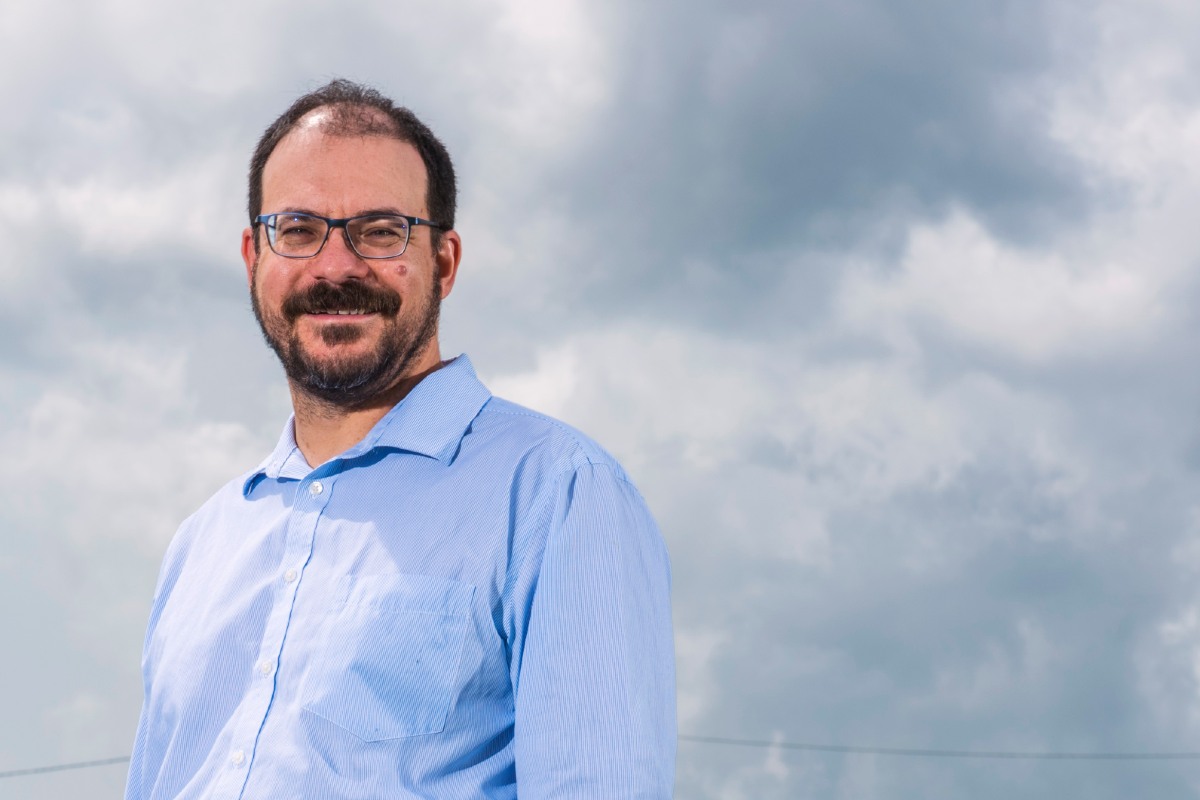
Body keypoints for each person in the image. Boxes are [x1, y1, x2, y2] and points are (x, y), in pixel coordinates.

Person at [124, 79, 675, 799]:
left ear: (444, 262)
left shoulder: (557, 492)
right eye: (296, 230)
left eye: (381, 231)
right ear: (253, 257)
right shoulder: (202, 545)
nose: (335, 266)